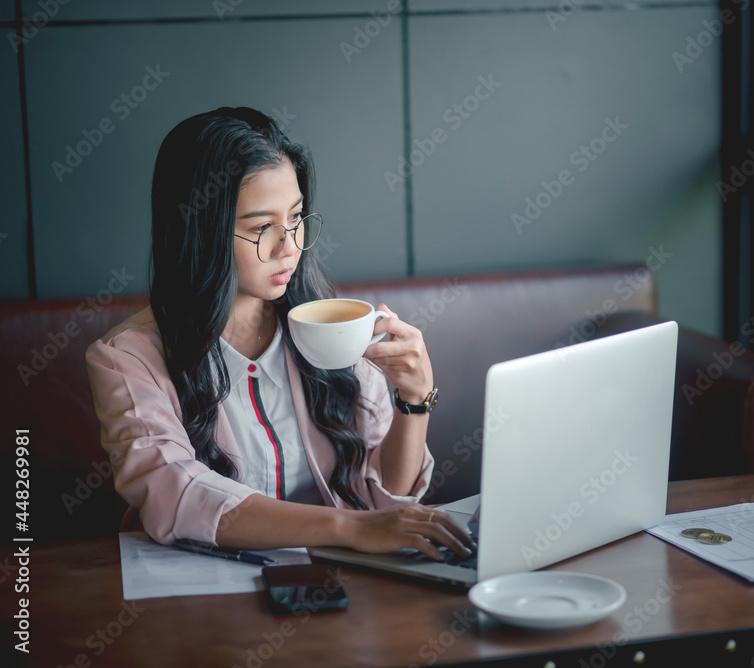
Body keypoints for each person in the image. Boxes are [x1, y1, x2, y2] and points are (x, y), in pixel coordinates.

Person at [86, 107, 472, 561]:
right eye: (261, 227)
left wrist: (414, 400)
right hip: (202, 598)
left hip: (342, 585)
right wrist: (348, 527)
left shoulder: (333, 327)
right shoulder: (126, 360)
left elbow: (385, 499)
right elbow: (176, 492)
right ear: (200, 231)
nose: (288, 246)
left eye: (296, 218)